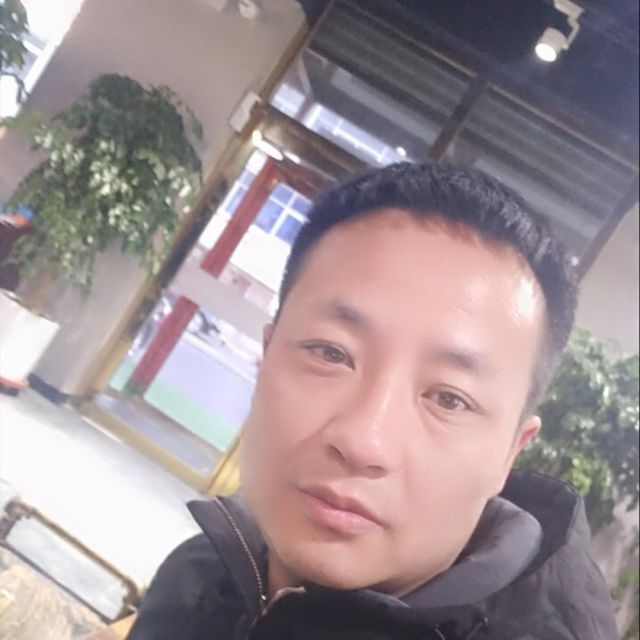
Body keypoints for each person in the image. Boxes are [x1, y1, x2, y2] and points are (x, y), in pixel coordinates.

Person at [126, 162, 617, 639]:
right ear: (267, 355)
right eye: (332, 353)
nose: (363, 441)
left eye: (449, 399)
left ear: (511, 452)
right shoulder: (200, 578)